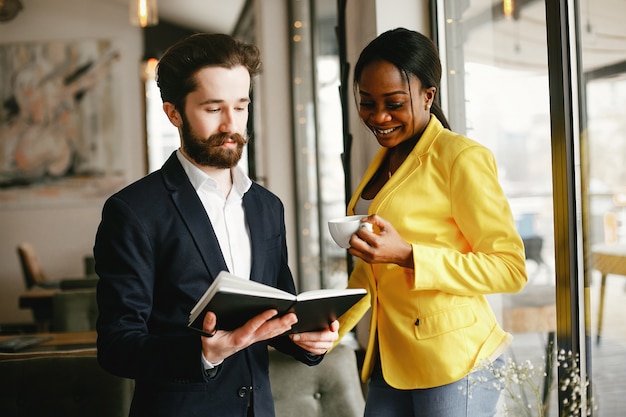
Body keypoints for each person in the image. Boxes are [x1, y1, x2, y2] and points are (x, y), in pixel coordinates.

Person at [94, 33, 338, 417]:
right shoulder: (133, 211)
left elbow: (278, 315)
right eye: (213, 109)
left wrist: (309, 340)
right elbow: (116, 346)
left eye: (241, 107)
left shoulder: (267, 207)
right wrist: (204, 353)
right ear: (173, 113)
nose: (231, 124)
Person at [333, 28, 528, 417]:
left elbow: (510, 268)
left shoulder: (460, 158)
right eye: (367, 103)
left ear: (428, 96)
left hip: (454, 362)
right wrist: (328, 328)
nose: (379, 117)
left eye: (394, 103)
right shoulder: (384, 162)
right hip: (391, 359)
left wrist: (408, 255)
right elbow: (372, 271)